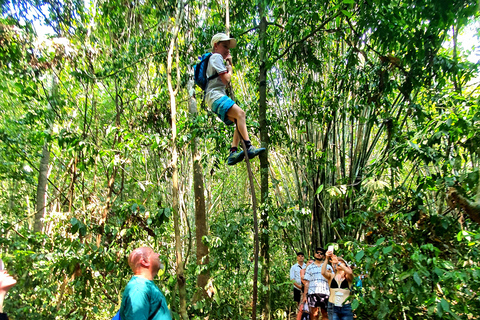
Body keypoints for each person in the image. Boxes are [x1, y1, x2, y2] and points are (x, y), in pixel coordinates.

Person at [206, 33, 265, 165]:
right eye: (225, 46)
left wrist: (227, 66)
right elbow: (226, 80)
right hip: (215, 96)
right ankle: (249, 147)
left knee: (238, 120)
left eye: (229, 47)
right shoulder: (215, 57)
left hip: (213, 98)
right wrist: (230, 69)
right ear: (216, 46)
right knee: (241, 114)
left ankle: (233, 152)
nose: (227, 50)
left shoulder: (216, 59)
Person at [120, 247, 171, 320]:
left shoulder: (146, 285)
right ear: (144, 261)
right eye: (153, 254)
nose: (158, 255)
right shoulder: (139, 289)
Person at [321, 251, 354, 320]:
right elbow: (323, 272)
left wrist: (338, 262)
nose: (338, 264)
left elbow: (349, 272)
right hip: (333, 306)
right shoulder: (331, 276)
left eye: (342, 262)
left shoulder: (348, 277)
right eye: (336, 263)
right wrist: (327, 258)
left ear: (345, 265)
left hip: (346, 306)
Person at [303, 248, 333, 320]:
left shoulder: (328, 266)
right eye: (317, 252)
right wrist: (305, 295)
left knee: (325, 314)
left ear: (323, 256)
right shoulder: (309, 267)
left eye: (321, 253)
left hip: (325, 292)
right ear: (314, 254)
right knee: (314, 314)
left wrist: (330, 274)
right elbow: (307, 282)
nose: (319, 254)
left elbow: (333, 281)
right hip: (313, 292)